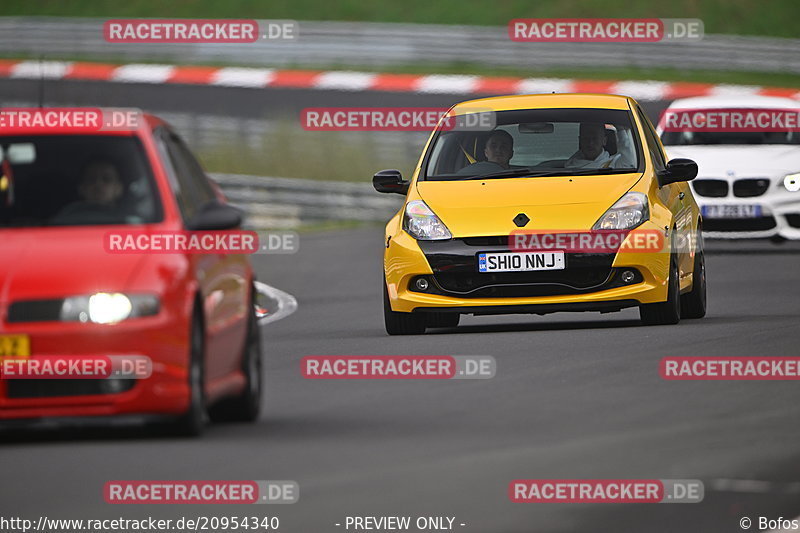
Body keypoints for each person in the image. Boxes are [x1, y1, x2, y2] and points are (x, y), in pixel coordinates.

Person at [52, 160, 126, 223]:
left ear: (119, 188)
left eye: (107, 179)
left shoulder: (130, 220)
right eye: (91, 179)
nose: (98, 184)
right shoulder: (66, 217)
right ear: (81, 188)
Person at [566, 123, 631, 169]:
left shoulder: (615, 164)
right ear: (580, 141)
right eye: (586, 138)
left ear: (604, 141)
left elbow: (629, 158)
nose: (590, 143)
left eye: (595, 138)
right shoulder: (568, 168)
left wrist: (620, 129)